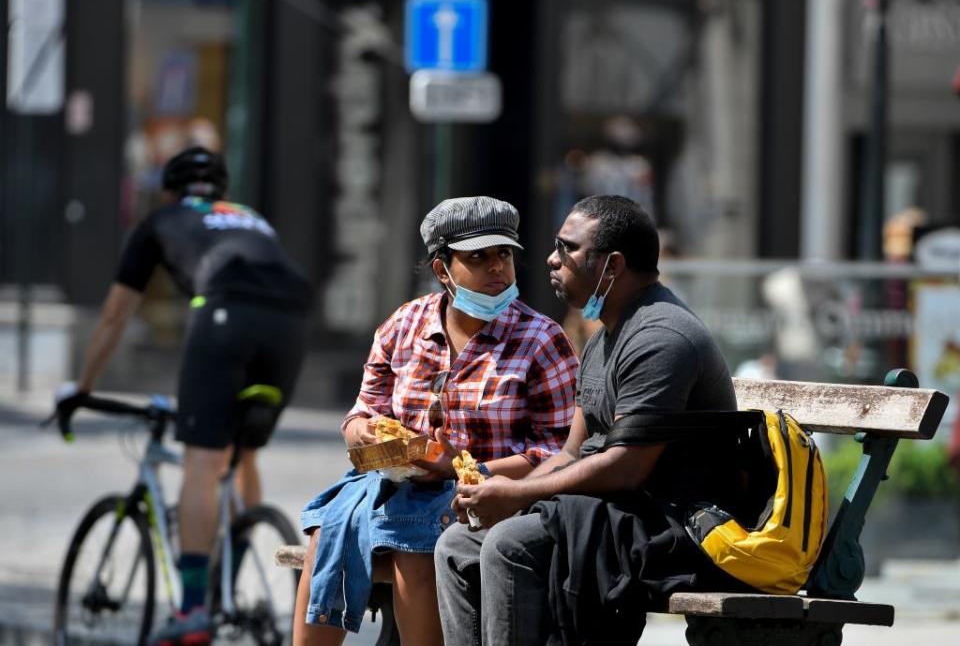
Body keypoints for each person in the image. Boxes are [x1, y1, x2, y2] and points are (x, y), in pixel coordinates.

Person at [434, 194, 750, 646]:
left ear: (613, 265)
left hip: (675, 524)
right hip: (615, 510)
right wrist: (501, 497)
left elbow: (625, 467)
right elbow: (570, 451)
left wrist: (518, 494)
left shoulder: (661, 337)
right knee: (457, 545)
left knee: (511, 544)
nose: (551, 259)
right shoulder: (604, 339)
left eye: (567, 249)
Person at [292, 196, 579, 646]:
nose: (497, 268)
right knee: (329, 530)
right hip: (396, 483)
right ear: (442, 270)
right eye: (478, 257)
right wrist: (361, 432)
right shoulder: (403, 326)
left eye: (503, 254)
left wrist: (463, 469)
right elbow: (364, 410)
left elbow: (559, 451)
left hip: (491, 494)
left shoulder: (542, 340)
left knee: (415, 542)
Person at [55, 146, 313, 646]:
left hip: (224, 314)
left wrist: (82, 387)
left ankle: (193, 605)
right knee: (244, 455)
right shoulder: (251, 218)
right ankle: (232, 587)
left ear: (169, 191)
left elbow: (114, 315)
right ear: (223, 191)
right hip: (291, 324)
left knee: (202, 460)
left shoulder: (160, 220)